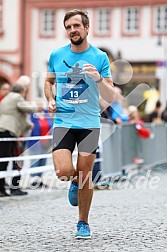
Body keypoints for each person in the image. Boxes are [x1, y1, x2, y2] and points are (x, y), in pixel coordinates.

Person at [44, 9, 114, 239]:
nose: (72, 30)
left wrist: (98, 79)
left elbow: (110, 95)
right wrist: (50, 99)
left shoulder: (100, 57)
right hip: (64, 120)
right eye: (68, 27)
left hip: (89, 123)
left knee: (86, 174)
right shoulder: (57, 54)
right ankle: (73, 181)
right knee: (64, 171)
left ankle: (82, 223)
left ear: (86, 28)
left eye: (76, 26)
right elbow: (48, 81)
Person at [0, 84, 39, 197]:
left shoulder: (8, 97)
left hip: (5, 130)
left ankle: (4, 188)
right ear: (22, 91)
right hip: (8, 130)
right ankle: (6, 188)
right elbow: (29, 109)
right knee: (6, 160)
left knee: (4, 160)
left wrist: (28, 124)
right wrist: (35, 106)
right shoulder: (17, 97)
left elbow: (19, 116)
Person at [27, 99, 53, 188]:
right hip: (35, 142)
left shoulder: (46, 113)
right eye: (37, 105)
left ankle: (39, 179)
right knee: (35, 161)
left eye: (40, 104)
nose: (39, 106)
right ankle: (33, 180)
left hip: (46, 142)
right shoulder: (31, 115)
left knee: (43, 161)